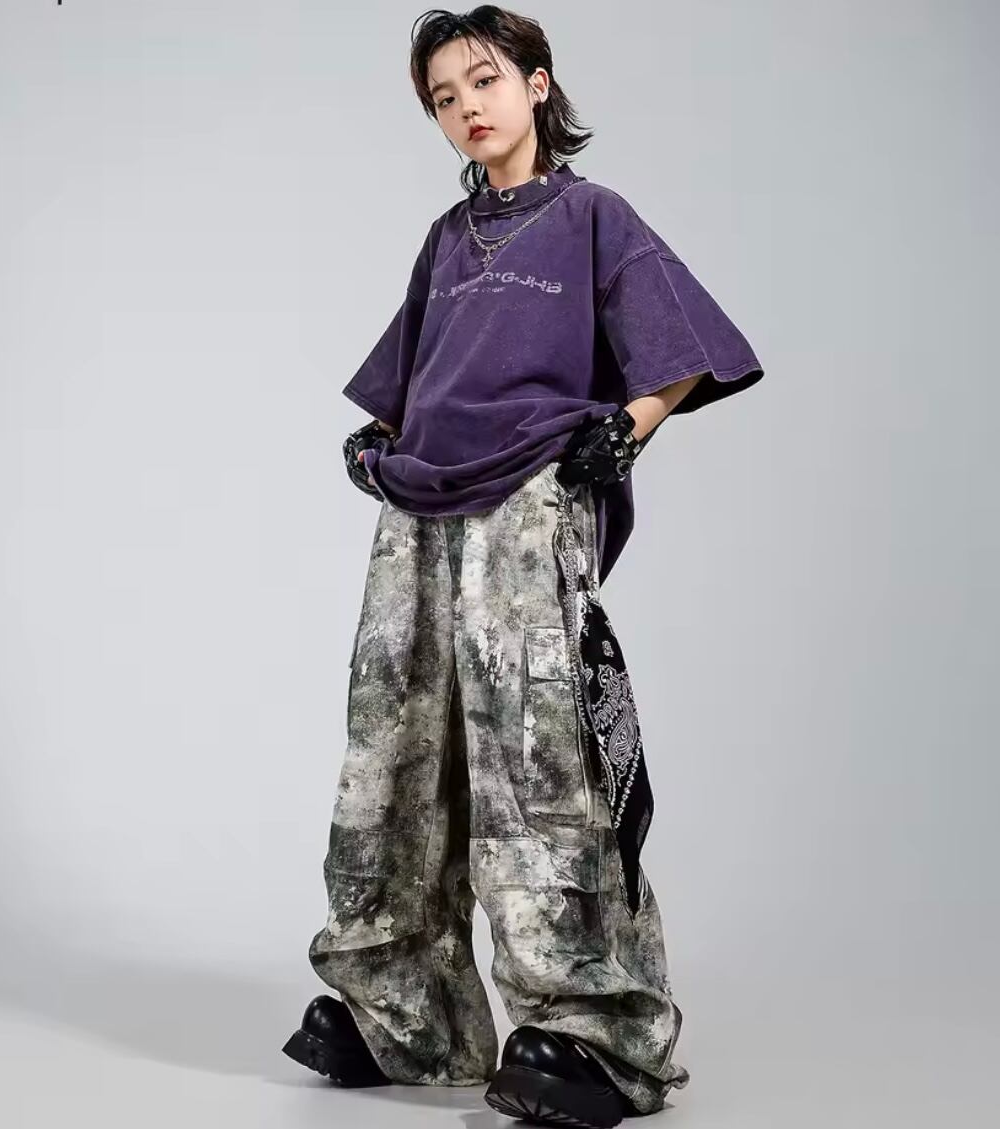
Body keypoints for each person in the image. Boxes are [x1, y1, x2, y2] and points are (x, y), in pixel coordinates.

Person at [282, 7, 764, 1127]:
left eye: (484, 80)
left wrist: (628, 428)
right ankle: (401, 1009)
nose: (467, 107)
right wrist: (374, 443)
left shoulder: (594, 216)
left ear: (538, 84)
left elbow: (682, 348)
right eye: (444, 97)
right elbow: (409, 377)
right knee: (393, 746)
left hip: (527, 501)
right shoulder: (446, 241)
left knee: (536, 752)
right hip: (418, 511)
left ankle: (593, 1028)